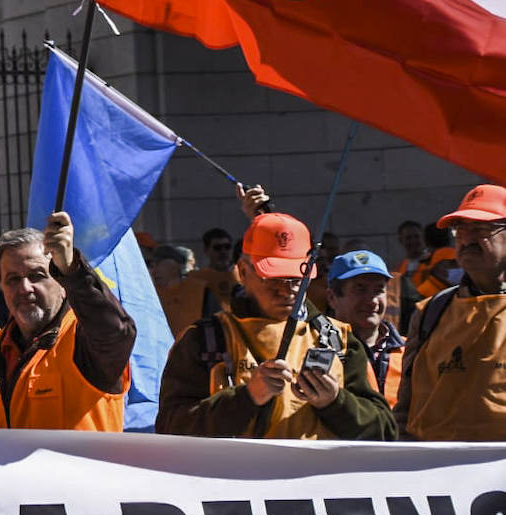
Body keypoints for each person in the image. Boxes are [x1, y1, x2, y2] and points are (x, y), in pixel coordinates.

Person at [157, 212, 394, 440]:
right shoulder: (203, 339)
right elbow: (170, 427)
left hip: (317, 479)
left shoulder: (338, 338)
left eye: (296, 279)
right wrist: (247, 397)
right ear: (243, 271)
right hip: (233, 479)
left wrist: (335, 402)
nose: (287, 290)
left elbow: (384, 429)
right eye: (273, 279)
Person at [0, 219, 135, 431]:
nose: (25, 288)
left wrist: (73, 269)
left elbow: (117, 333)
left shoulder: (84, 340)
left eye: (36, 276)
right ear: (1, 286)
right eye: (13, 279)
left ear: (62, 282)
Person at [395, 185, 506, 440]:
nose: (466, 239)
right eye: (460, 230)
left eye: (480, 229)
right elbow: (406, 406)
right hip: (439, 469)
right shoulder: (430, 312)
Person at [325, 251, 404, 407]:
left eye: (379, 290)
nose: (372, 300)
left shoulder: (409, 351)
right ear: (332, 298)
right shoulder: (318, 350)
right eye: (360, 289)